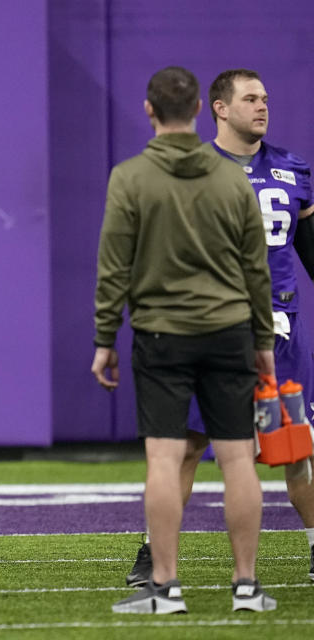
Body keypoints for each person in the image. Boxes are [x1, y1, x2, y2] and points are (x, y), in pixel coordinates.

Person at [92, 66, 277, 614]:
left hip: (161, 336)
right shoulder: (231, 180)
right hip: (229, 335)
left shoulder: (129, 178)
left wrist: (105, 338)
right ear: (201, 108)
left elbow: (113, 268)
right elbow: (255, 271)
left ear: (149, 111)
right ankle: (247, 586)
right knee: (239, 459)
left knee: (165, 462)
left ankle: (165, 589)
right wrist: (262, 341)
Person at [124, 68, 314, 590]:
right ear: (219, 108)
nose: (263, 107)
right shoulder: (195, 169)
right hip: (215, 328)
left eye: (266, 98)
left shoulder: (293, 170)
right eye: (250, 98)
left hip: (281, 329)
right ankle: (152, 553)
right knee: (186, 444)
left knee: (297, 447)